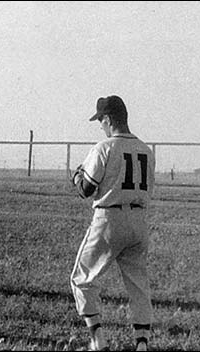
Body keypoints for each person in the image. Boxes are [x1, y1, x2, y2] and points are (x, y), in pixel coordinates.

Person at [70, 95, 155, 351]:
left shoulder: (104, 147)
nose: (100, 126)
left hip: (109, 218)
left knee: (82, 279)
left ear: (108, 119)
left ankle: (97, 339)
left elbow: (86, 189)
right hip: (139, 220)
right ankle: (141, 343)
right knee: (139, 284)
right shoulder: (146, 150)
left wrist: (76, 177)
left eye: (101, 120)